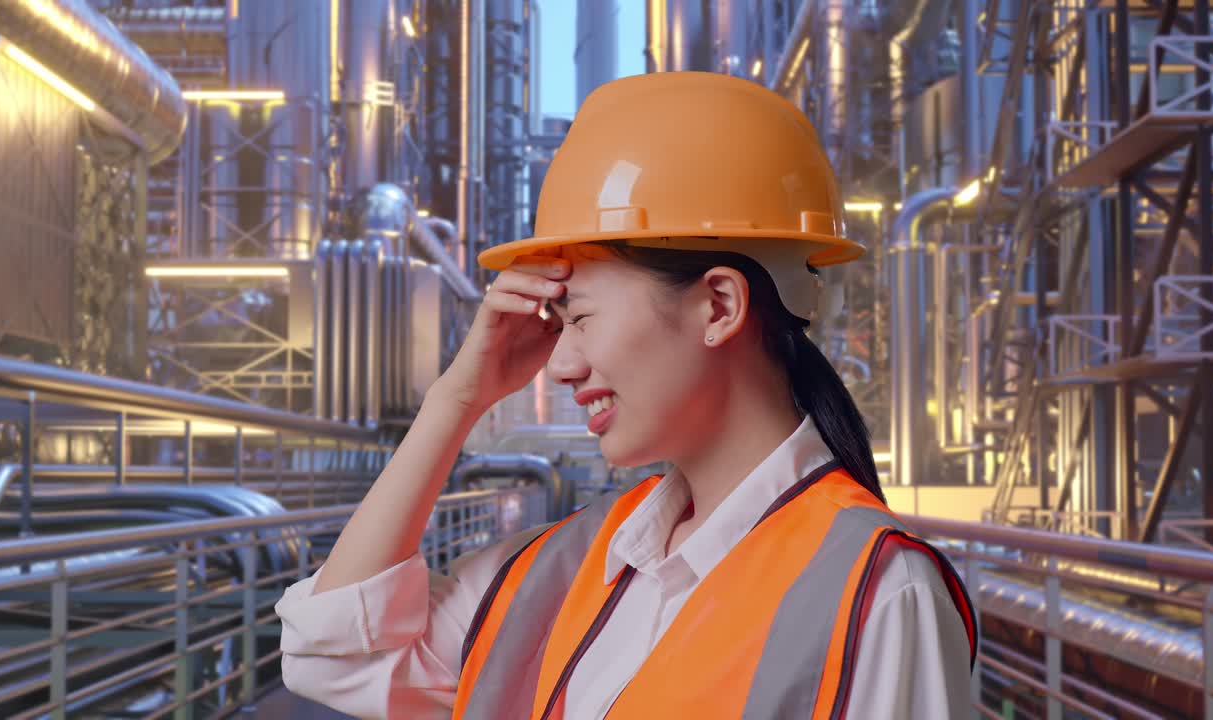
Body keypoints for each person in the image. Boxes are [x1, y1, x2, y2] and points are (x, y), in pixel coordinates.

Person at [276, 71, 979, 719]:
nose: (560, 366)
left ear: (719, 306)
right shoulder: (576, 562)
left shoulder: (879, 591)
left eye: (579, 318)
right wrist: (457, 397)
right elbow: (335, 650)